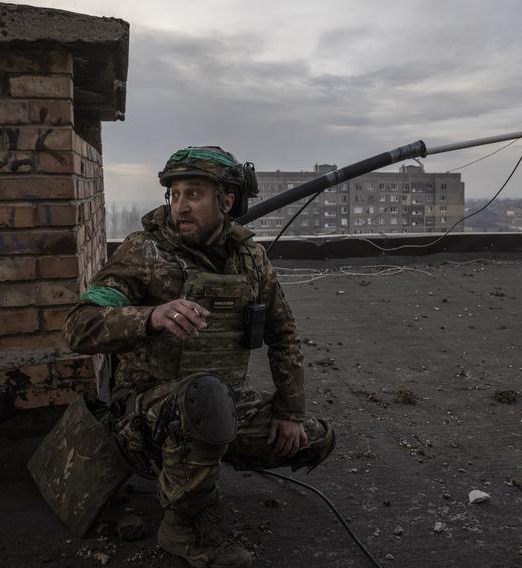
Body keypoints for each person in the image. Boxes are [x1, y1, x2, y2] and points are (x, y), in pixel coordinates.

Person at [63, 146, 335, 568]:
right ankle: (184, 527)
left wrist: (290, 411)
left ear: (226, 201)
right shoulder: (144, 252)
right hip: (143, 413)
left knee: (314, 439)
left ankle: (196, 462)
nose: (179, 206)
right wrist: (149, 316)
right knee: (204, 398)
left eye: (193, 194)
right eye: (174, 194)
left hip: (218, 402)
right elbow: (79, 326)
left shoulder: (250, 259)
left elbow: (284, 334)